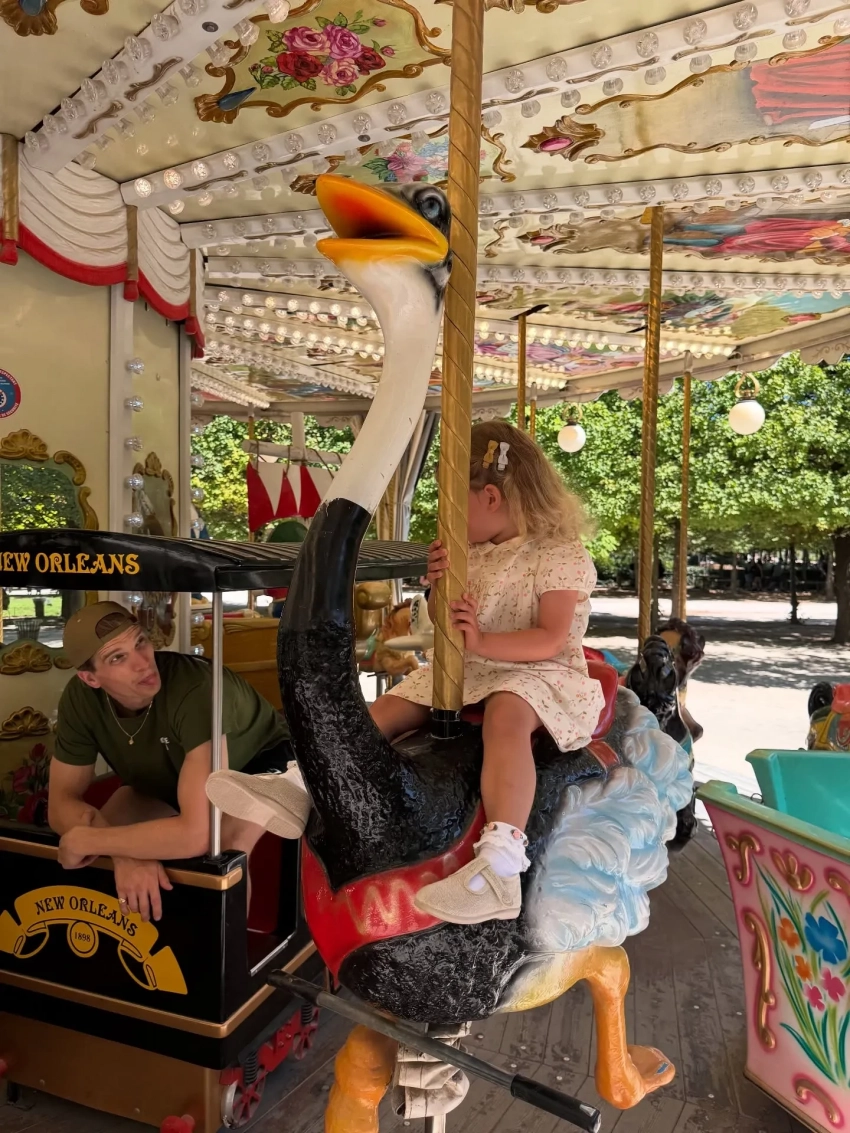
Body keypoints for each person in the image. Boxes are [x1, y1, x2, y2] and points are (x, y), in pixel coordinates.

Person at [206, 421, 603, 928]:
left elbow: (550, 636)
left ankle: (502, 860)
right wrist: (439, 589)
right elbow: (444, 621)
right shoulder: (469, 550)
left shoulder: (558, 554)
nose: (446, 519)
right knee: (390, 705)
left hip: (536, 670)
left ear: (490, 497)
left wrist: (481, 641)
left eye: (453, 505)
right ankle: (302, 780)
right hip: (473, 664)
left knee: (506, 718)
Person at [48, 601, 307, 922]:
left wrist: (93, 839)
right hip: (172, 776)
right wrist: (125, 855)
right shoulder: (80, 699)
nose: (143, 663)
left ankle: (227, 952)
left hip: (263, 763)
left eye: (140, 642)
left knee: (225, 847)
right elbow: (60, 804)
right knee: (103, 841)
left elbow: (198, 834)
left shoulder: (195, 688)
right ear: (90, 679)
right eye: (117, 657)